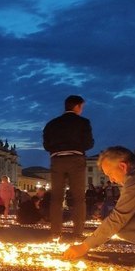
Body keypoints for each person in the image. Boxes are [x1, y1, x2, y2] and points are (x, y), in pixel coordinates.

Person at [63, 147, 135, 262]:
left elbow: (119, 218)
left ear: (122, 166)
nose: (111, 180)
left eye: (110, 174)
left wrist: (84, 246)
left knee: (122, 225)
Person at [43, 94, 94, 238]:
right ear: (77, 106)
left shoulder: (51, 124)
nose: (81, 110)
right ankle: (77, 233)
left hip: (57, 160)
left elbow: (46, 145)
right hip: (76, 159)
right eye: (82, 107)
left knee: (56, 198)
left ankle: (55, 232)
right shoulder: (83, 122)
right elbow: (89, 143)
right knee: (79, 198)